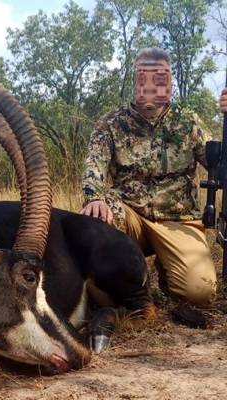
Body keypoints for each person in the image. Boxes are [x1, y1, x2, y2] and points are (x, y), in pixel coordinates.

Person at [81, 47, 227, 306]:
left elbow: (220, 167)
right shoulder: (111, 123)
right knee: (95, 219)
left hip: (178, 218)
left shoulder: (188, 122)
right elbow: (94, 168)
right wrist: (93, 198)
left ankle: (168, 266)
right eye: (143, 77)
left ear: (169, 83)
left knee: (200, 292)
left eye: (159, 78)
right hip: (129, 214)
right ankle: (124, 283)